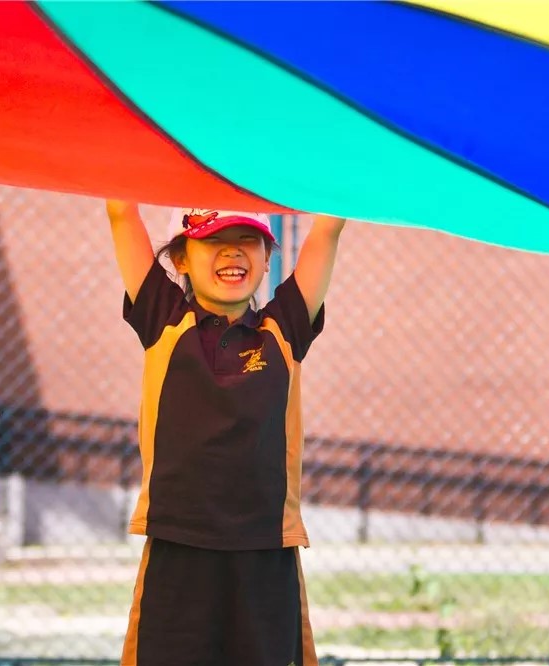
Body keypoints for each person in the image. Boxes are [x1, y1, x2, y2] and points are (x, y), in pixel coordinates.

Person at [105, 201, 346, 666]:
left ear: (267, 257)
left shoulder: (284, 328)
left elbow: (327, 232)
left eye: (246, 242)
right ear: (180, 259)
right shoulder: (164, 318)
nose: (232, 254)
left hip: (266, 547)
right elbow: (121, 212)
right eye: (213, 241)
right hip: (178, 542)